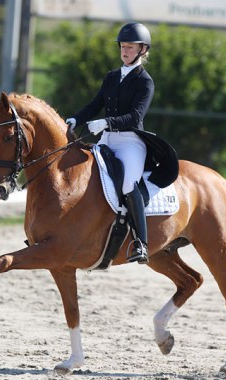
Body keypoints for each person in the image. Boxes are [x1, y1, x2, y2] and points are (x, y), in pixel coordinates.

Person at [65, 22, 154, 264]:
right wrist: (77, 118)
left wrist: (106, 122)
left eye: (130, 47)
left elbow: (135, 117)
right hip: (107, 139)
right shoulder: (112, 77)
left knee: (127, 185)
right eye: (123, 46)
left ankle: (141, 243)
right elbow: (95, 105)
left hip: (130, 142)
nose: (125, 51)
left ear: (142, 50)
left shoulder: (145, 81)